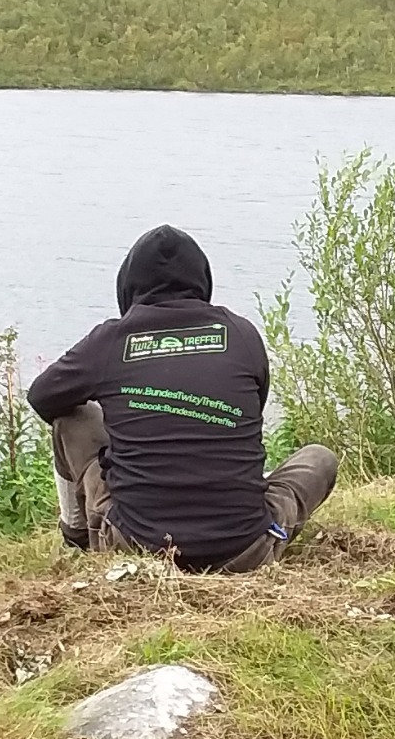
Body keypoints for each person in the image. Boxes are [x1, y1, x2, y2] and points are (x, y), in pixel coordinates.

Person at [26, 224, 337, 570]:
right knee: (320, 459)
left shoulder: (112, 339)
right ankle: (238, 520)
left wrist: (126, 428)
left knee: (73, 418)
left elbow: (43, 397)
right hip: (246, 551)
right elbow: (250, 411)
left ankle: (77, 536)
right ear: (203, 280)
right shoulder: (241, 334)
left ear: (127, 285)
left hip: (136, 548)